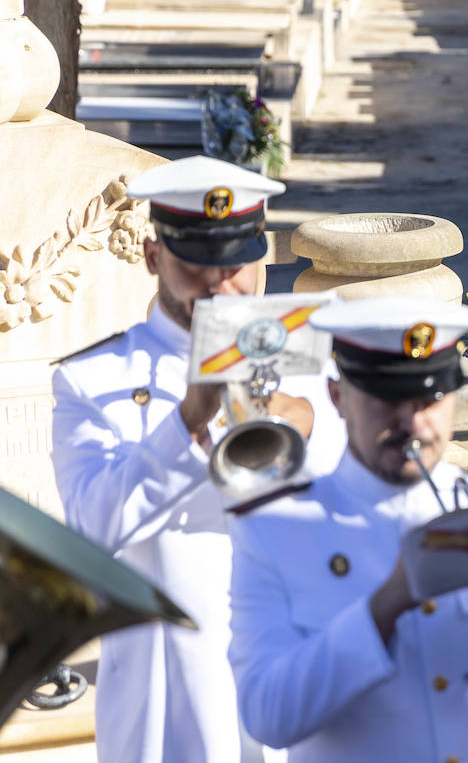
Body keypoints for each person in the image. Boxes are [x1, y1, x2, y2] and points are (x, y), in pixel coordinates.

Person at [49, 156, 347, 763]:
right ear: (152, 256)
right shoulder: (92, 380)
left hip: (296, 670)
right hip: (173, 696)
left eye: (235, 265)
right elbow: (90, 533)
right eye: (195, 263)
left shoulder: (309, 360)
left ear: (261, 261)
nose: (217, 285)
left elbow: (364, 509)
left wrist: (312, 428)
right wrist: (185, 421)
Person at [228, 296, 468, 762]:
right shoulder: (274, 529)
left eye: (431, 398)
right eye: (388, 400)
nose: (413, 422)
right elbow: (267, 717)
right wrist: (384, 606)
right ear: (337, 397)